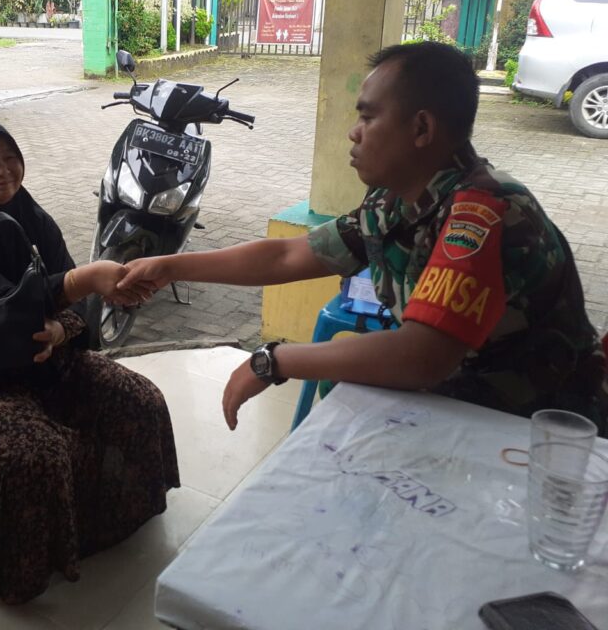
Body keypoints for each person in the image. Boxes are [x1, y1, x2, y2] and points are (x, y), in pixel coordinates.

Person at [119, 41, 608, 435]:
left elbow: (421, 357)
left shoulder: (481, 214)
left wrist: (275, 360)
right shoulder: (394, 200)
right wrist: (172, 266)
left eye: (368, 118)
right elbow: (290, 255)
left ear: (422, 128)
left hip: (540, 431)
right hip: (464, 413)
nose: (354, 133)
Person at [0, 118, 180, 604]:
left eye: (9, 157)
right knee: (33, 454)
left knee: (138, 401)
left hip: (48, 361)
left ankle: (89, 527)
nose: (3, 171)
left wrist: (61, 330)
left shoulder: (30, 216)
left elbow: (69, 301)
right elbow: (9, 316)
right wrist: (79, 286)